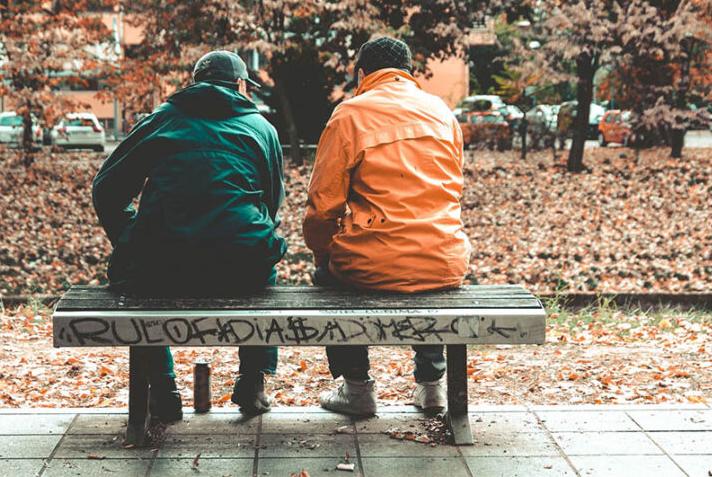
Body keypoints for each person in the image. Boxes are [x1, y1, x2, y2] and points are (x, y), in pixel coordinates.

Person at [92, 50, 286, 420]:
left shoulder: (162, 120)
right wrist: (243, 230)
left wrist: (132, 236)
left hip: (162, 263)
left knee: (139, 280)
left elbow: (107, 189)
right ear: (241, 86)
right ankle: (253, 381)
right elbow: (272, 201)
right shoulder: (263, 128)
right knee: (263, 264)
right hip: (241, 264)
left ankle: (163, 389)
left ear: (195, 83)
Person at [303, 36, 471, 416]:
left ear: (362, 73)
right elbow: (453, 184)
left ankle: (357, 387)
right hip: (442, 257)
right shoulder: (442, 112)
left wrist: (322, 253)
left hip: (369, 263)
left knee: (329, 276)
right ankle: (431, 387)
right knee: (425, 278)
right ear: (409, 73)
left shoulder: (349, 114)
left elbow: (321, 208)